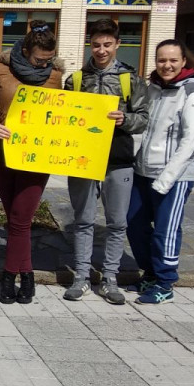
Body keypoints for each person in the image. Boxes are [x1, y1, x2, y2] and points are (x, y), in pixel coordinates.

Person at [0, 21, 66, 305]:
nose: (44, 65)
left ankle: (9, 276)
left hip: (37, 157)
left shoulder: (55, 75)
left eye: (49, 60)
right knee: (15, 217)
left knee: (20, 219)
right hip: (3, 153)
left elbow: (60, 114)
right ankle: (26, 273)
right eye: (39, 59)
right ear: (25, 50)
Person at [62, 19, 149, 305]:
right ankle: (81, 277)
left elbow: (144, 120)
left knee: (117, 222)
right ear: (90, 44)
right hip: (83, 159)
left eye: (107, 45)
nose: (101, 50)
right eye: (97, 44)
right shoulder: (75, 80)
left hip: (119, 158)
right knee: (83, 220)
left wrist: (125, 119)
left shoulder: (130, 79)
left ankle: (110, 278)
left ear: (117, 45)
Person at [127, 40, 194, 305]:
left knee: (166, 230)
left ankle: (165, 282)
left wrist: (166, 179)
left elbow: (191, 141)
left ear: (184, 61)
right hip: (143, 172)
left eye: (173, 60)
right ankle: (150, 273)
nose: (167, 65)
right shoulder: (154, 88)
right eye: (162, 60)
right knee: (134, 225)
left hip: (174, 177)